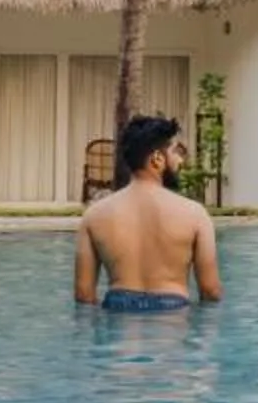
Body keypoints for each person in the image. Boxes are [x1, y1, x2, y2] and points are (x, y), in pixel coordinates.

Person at [75, 113, 221, 311]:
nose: (180, 160)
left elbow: (84, 295)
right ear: (157, 159)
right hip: (172, 315)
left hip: (118, 315)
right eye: (175, 152)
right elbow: (210, 291)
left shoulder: (94, 215)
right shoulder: (195, 214)